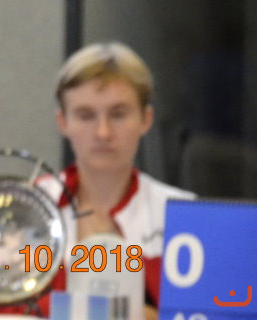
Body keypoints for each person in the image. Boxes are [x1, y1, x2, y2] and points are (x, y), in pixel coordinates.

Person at [37, 42, 193, 319]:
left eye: (118, 114)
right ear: (63, 123)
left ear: (145, 120)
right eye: (86, 116)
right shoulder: (29, 207)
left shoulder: (185, 214)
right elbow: (1, 309)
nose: (103, 132)